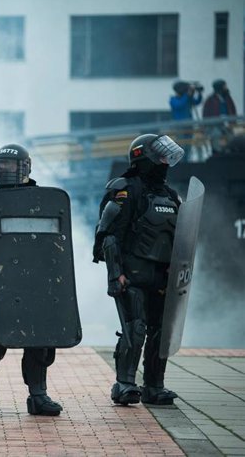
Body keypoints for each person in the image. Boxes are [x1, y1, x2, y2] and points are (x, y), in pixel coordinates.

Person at [0, 144, 64, 416]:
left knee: (40, 339)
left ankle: (38, 396)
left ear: (25, 168)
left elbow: (56, 244)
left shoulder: (43, 200)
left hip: (38, 283)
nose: (4, 171)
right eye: (0, 166)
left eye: (10, 166)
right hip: (3, 283)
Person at [93, 134, 185, 406]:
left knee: (160, 332)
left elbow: (181, 240)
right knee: (136, 329)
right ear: (144, 157)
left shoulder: (170, 196)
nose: (165, 161)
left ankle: (154, 387)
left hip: (162, 278)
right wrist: (115, 274)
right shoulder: (126, 189)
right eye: (161, 155)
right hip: (131, 275)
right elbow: (108, 235)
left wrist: (179, 274)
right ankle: (124, 384)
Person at [203, 79, 237, 153]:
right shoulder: (210, 99)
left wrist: (232, 121)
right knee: (216, 135)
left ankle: (230, 151)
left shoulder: (227, 98)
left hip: (226, 123)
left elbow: (232, 110)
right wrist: (207, 125)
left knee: (231, 136)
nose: (226, 88)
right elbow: (206, 114)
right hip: (214, 125)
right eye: (224, 86)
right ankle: (217, 152)